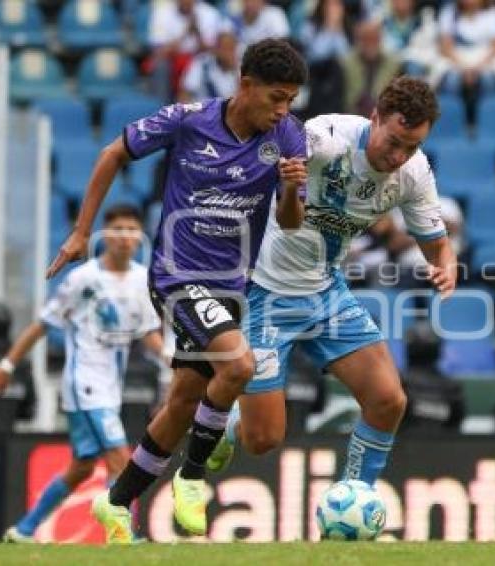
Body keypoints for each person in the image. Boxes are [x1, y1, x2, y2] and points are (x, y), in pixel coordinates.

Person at [45, 39, 308, 543]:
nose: (283, 110)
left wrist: (293, 187)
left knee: (185, 400)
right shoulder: (188, 120)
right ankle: (192, 477)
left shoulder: (289, 137)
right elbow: (112, 153)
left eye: (291, 100)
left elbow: (292, 223)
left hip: (231, 288)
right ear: (246, 85)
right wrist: (81, 231)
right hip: (177, 276)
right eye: (276, 97)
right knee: (239, 367)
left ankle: (115, 502)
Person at [205, 77, 457, 498]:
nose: (399, 156)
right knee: (262, 439)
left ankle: (354, 495)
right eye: (394, 142)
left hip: (326, 292)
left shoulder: (414, 172)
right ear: (374, 118)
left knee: (389, 400)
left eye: (411, 147)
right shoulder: (324, 139)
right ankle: (225, 423)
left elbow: (438, 247)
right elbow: (264, 173)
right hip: (266, 293)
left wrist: (446, 267)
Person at [0, 205, 164, 543]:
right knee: (120, 458)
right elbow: (43, 324)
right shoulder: (83, 279)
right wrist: (7, 365)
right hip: (84, 382)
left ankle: (23, 531)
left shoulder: (142, 279)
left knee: (82, 466)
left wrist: (171, 361)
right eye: (118, 229)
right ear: (105, 234)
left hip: (110, 386)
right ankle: (123, 535)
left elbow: (147, 332)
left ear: (139, 237)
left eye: (132, 230)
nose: (125, 237)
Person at [179, 28, 240, 102]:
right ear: (216, 49)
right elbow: (185, 93)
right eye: (225, 48)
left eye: (232, 49)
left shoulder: (239, 70)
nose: (229, 53)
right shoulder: (202, 64)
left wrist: (235, 73)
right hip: (201, 106)